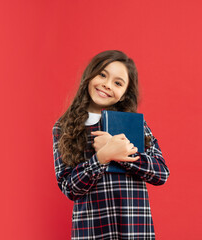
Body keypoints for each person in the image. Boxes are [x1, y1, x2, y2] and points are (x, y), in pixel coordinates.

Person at [52, 50, 170, 239]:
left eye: (118, 83)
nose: (107, 85)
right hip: (91, 231)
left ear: (124, 94)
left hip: (134, 230)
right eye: (102, 75)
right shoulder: (63, 128)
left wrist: (122, 154)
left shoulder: (132, 124)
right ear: (90, 76)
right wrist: (101, 158)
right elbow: (69, 188)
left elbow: (161, 173)